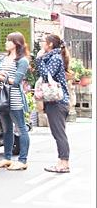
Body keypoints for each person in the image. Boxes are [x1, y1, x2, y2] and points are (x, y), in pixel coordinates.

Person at [0, 32, 31, 171]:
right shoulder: (2, 59)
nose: (6, 43)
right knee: (7, 129)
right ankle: (7, 158)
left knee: (21, 128)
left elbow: (16, 82)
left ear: (16, 43)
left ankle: (23, 160)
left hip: (15, 98)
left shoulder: (22, 61)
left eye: (8, 41)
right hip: (2, 98)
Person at [36, 34, 71, 173]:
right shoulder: (52, 57)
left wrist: (39, 60)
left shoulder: (55, 58)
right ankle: (62, 162)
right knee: (58, 133)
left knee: (59, 134)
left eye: (43, 41)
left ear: (49, 44)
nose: (41, 43)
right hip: (55, 102)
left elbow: (47, 76)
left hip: (58, 102)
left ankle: (64, 163)